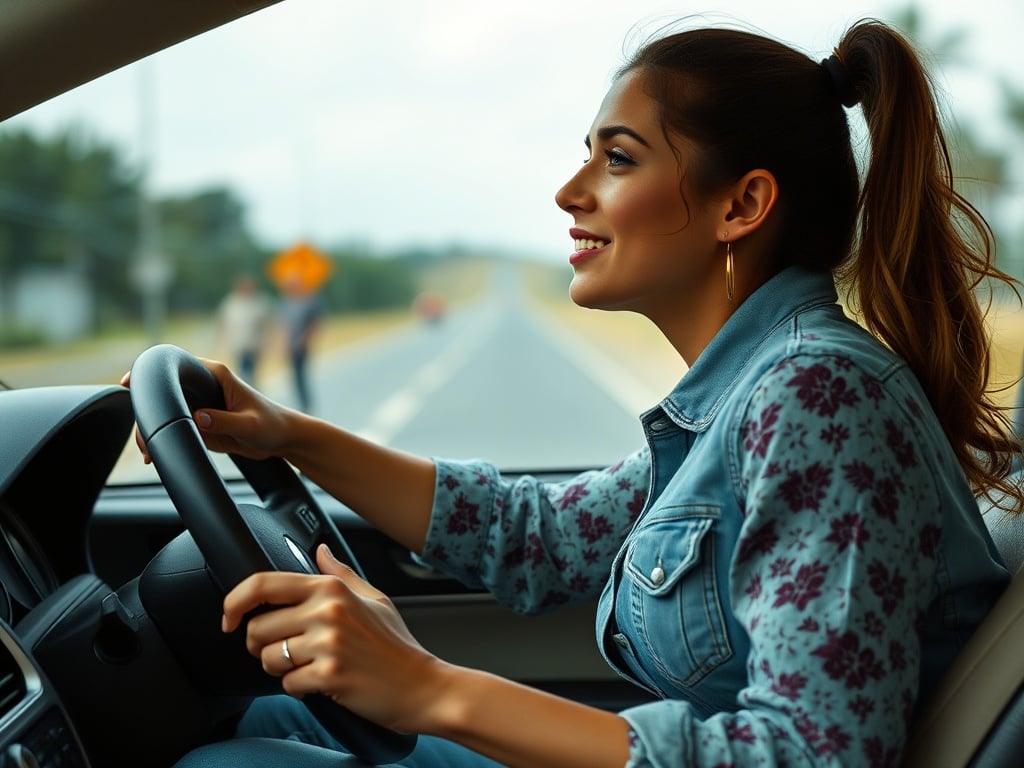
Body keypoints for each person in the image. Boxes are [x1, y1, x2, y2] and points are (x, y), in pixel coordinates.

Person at [157, 17, 1024, 768]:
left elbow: (809, 755)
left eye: (617, 158)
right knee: (275, 715)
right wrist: (291, 436)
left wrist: (426, 687)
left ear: (743, 205)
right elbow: (537, 538)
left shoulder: (815, 397)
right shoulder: (741, 393)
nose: (571, 193)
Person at [215, 274, 273, 386]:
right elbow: (223, 324)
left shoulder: (259, 303)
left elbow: (267, 325)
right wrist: (221, 342)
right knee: (242, 373)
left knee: (250, 374)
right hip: (237, 345)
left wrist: (267, 344)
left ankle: (253, 395)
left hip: (254, 346)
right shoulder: (230, 303)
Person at [279, 274, 324, 413]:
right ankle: (301, 405)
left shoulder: (309, 301)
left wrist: (304, 340)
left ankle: (306, 406)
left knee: (301, 375)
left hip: (302, 345)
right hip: (290, 345)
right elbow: (284, 324)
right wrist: (283, 343)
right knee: (294, 378)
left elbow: (315, 324)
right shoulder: (287, 302)